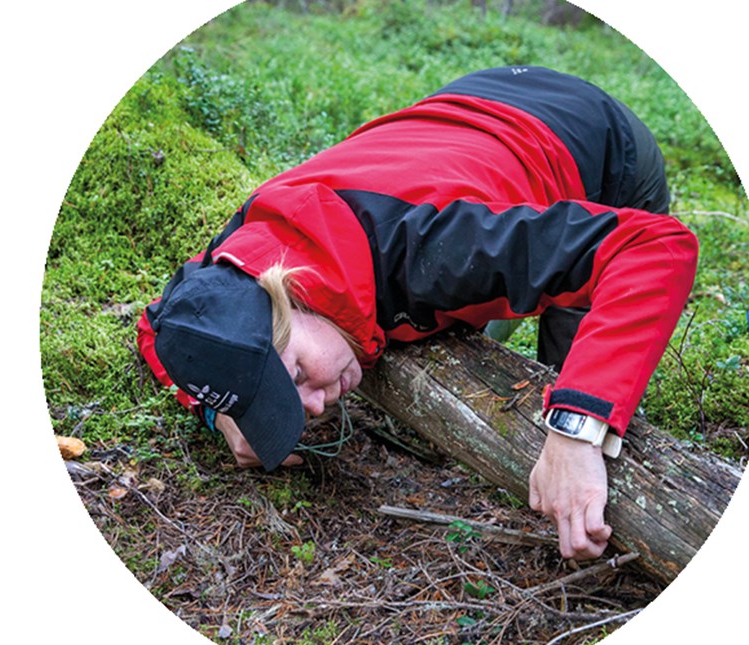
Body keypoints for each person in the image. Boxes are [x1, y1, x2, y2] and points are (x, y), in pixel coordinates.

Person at [137, 66, 698, 561]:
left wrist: (577, 432)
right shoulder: (242, 254)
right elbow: (160, 325)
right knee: (497, 304)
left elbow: (655, 249)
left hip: (591, 141)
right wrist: (224, 409)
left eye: (299, 376)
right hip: (458, 123)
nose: (314, 407)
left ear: (291, 295)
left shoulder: (440, 247)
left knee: (573, 343)